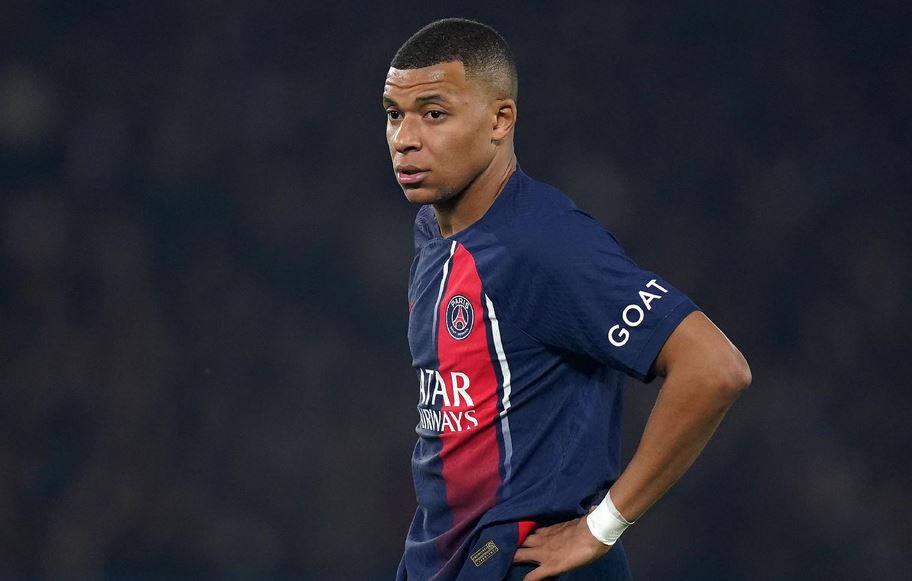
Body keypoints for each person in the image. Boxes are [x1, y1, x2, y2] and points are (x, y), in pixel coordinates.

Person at [384, 18, 751, 581]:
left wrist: (601, 527)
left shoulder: (544, 243)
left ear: (500, 120)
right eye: (394, 114)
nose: (405, 138)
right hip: (456, 560)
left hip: (531, 564)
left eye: (434, 114)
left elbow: (714, 367)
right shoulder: (435, 229)